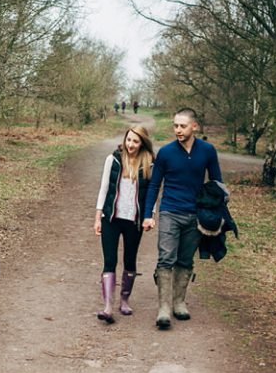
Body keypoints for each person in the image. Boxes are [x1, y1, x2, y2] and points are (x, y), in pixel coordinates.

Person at [142, 107, 228, 329]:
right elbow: (154, 185)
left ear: (194, 126)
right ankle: (163, 308)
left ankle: (179, 302)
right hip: (170, 211)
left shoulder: (207, 151)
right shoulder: (166, 152)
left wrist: (217, 211)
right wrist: (148, 214)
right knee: (166, 258)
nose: (177, 130)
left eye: (182, 126)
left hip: (195, 214)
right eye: (175, 126)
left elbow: (217, 184)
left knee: (185, 260)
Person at [94, 124, 155, 323]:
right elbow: (104, 189)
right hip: (111, 218)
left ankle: (124, 300)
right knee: (109, 260)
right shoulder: (113, 160)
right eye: (128, 140)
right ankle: (107, 306)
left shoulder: (149, 164)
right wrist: (98, 217)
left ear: (142, 143)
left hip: (134, 221)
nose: (131, 144)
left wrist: (150, 215)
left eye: (135, 141)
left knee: (130, 260)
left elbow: (151, 195)